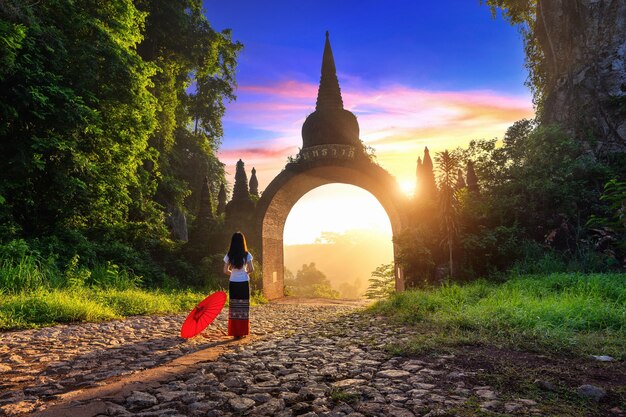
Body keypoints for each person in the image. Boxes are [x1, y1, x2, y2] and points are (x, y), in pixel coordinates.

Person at [223, 232, 253, 338]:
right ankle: (242, 331)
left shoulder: (229, 255)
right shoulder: (247, 254)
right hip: (244, 283)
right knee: (243, 307)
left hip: (233, 283)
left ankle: (235, 332)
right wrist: (244, 273)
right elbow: (251, 269)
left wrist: (233, 274)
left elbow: (225, 270)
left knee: (234, 307)